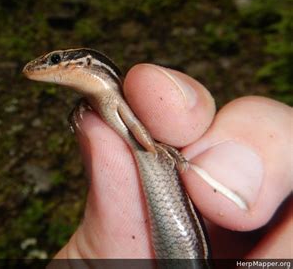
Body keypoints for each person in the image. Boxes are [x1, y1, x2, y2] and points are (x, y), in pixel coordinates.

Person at [52, 64, 292, 259]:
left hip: (191, 247)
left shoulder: (116, 100)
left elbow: (137, 130)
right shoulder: (103, 103)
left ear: (85, 64)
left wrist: (156, 149)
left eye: (55, 61)